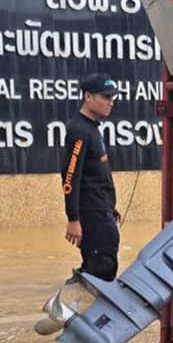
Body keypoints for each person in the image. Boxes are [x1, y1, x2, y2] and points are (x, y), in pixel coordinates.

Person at [62, 73, 123, 283]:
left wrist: (109, 206)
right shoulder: (79, 130)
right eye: (105, 97)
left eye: (112, 98)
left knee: (106, 259)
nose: (110, 102)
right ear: (88, 97)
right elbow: (70, 175)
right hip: (91, 212)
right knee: (102, 267)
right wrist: (73, 218)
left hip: (101, 208)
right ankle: (92, 309)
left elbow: (96, 174)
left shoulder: (92, 129)